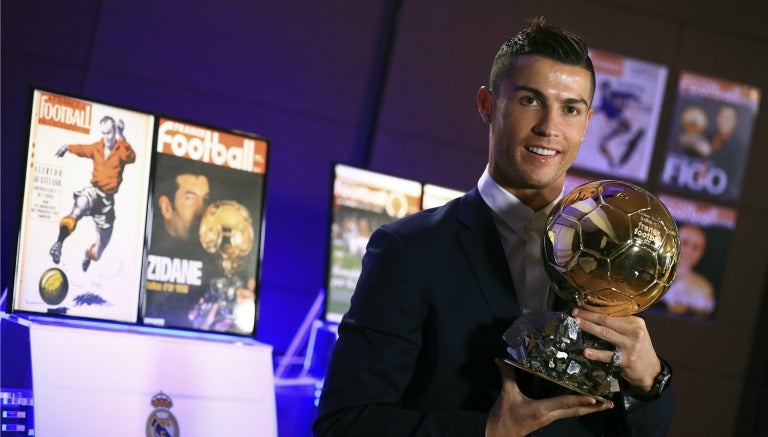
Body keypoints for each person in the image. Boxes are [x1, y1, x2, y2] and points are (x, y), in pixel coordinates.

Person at [314, 17, 673, 436]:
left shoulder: (614, 252)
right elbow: (343, 425)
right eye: (529, 100)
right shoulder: (409, 250)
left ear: (587, 122)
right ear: (487, 105)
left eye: (570, 108)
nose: (549, 127)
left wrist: (650, 380)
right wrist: (486, 432)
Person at [49, 116, 135, 271]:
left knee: (98, 252)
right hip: (93, 193)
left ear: (114, 130)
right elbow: (82, 149)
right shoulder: (97, 147)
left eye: (109, 133)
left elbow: (131, 157)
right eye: (103, 133)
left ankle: (88, 255)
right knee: (79, 206)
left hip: (107, 204)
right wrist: (67, 147)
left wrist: (121, 135)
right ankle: (59, 242)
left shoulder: (121, 150)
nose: (106, 137)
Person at [661, 224, 716, 317]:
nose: (688, 251)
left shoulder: (704, 288)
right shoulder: (650, 272)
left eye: (696, 248)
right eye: (685, 243)